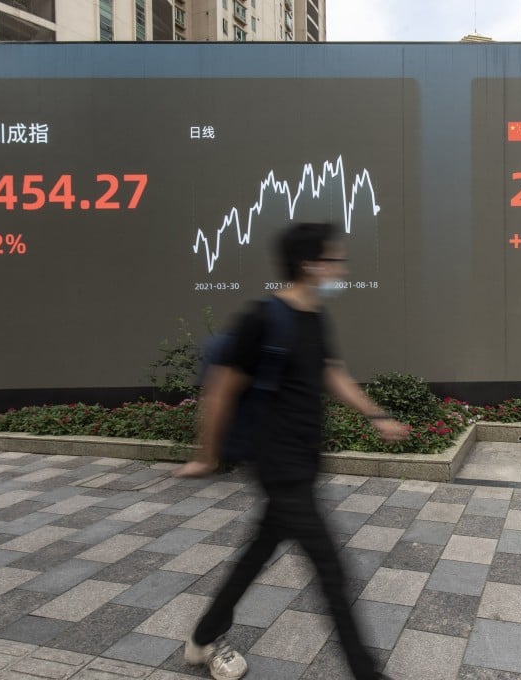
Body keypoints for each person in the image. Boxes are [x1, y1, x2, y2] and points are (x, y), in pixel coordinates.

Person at [174, 221, 409, 680]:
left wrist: (376, 414)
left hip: (302, 459)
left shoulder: (314, 316)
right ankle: (365, 672)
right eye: (334, 259)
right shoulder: (262, 319)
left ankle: (203, 638)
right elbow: (220, 390)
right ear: (309, 263)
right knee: (331, 571)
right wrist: (207, 456)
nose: (341, 268)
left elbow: (330, 371)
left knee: (259, 551)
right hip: (277, 463)